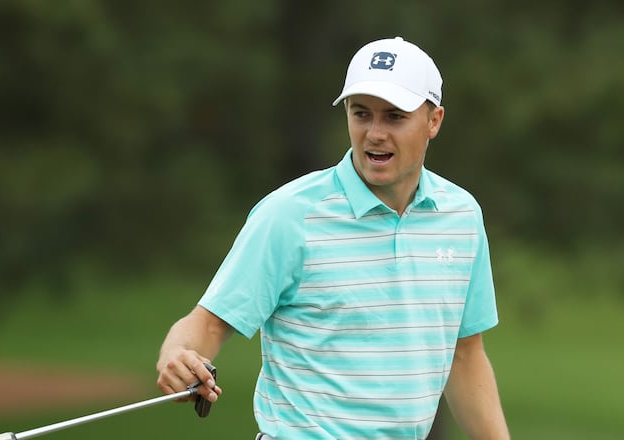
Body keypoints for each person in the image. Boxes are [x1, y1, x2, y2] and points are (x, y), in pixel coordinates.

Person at [156, 36, 510, 439]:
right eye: (361, 114)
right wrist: (177, 356)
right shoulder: (289, 214)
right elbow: (208, 324)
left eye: (394, 117)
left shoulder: (461, 216)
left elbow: (464, 356)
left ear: (434, 121)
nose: (374, 133)